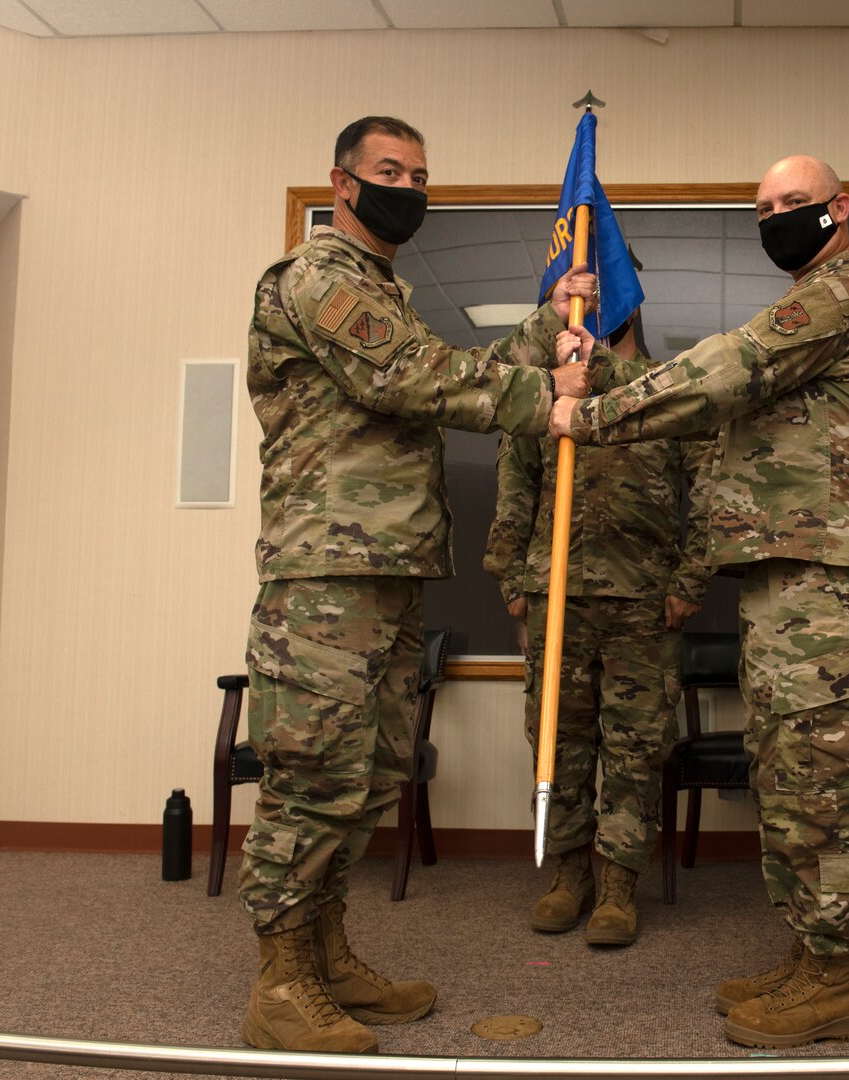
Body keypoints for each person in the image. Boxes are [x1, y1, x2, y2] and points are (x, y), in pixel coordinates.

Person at [237, 115, 597, 1055]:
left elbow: (435, 367)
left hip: (388, 569)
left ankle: (325, 954)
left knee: (368, 776)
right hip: (327, 573)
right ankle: (280, 984)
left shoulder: (378, 289)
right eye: (389, 170)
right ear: (343, 184)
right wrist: (544, 398)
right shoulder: (314, 277)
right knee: (312, 780)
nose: (409, 186)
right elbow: (410, 378)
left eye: (421, 173)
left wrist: (545, 318)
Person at [550, 155, 849, 1048]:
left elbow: (731, 368)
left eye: (794, 203)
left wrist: (590, 412)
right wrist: (598, 375)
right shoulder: (824, 295)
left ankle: (835, 978)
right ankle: (809, 954)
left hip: (834, 576)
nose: (776, 217)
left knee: (822, 781)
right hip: (792, 572)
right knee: (790, 774)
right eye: (763, 207)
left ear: (841, 208)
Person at [485, 307, 718, 947]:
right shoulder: (548, 393)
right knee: (557, 739)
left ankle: (618, 886)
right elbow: (515, 488)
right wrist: (512, 579)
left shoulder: (665, 391)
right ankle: (567, 877)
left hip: (643, 598)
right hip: (556, 594)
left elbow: (706, 492)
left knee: (634, 747)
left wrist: (689, 581)